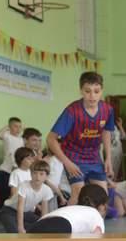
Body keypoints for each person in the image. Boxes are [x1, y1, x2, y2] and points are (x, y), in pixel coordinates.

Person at [47, 72, 116, 207]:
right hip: (74, 157)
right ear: (81, 91)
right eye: (87, 91)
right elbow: (51, 139)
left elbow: (106, 132)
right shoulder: (72, 111)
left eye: (96, 91)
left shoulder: (108, 110)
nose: (92, 96)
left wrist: (108, 157)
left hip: (94, 156)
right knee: (78, 193)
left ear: (102, 91)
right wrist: (67, 163)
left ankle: (96, 221)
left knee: (102, 196)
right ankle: (68, 220)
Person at [0, 159, 54, 234]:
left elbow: (44, 211)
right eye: (35, 173)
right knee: (15, 232)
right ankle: (16, 224)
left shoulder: (47, 190)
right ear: (31, 174)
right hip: (8, 211)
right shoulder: (24, 186)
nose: (37, 177)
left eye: (41, 174)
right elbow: (20, 208)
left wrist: (44, 227)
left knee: (40, 224)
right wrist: (20, 227)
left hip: (25, 213)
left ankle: (24, 225)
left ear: (46, 176)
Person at [0, 117, 24, 206]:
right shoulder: (7, 136)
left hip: (17, 167)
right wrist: (7, 127)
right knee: (5, 193)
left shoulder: (21, 139)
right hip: (7, 168)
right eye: (15, 126)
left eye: (20, 127)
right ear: (10, 127)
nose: (18, 129)